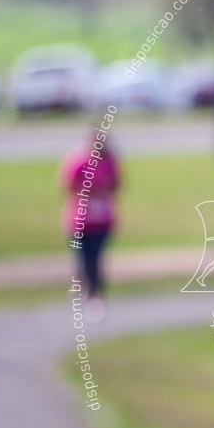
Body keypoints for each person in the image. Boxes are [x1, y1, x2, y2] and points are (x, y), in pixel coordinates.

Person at [60, 128, 121, 317]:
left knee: (96, 258)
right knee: (83, 258)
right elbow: (68, 186)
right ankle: (84, 288)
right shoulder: (79, 161)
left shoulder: (109, 162)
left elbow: (116, 186)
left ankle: (95, 295)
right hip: (81, 220)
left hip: (102, 220)